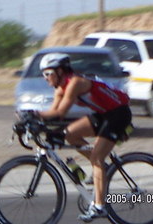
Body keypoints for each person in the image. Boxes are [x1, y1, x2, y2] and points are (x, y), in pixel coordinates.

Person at [37, 53, 132, 222]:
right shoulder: (60, 89)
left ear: (59, 71)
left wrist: (34, 114)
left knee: (97, 157)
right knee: (70, 134)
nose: (45, 78)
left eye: (47, 73)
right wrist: (30, 118)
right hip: (104, 114)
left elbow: (61, 112)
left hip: (119, 114)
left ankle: (100, 206)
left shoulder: (75, 83)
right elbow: (53, 115)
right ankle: (103, 168)